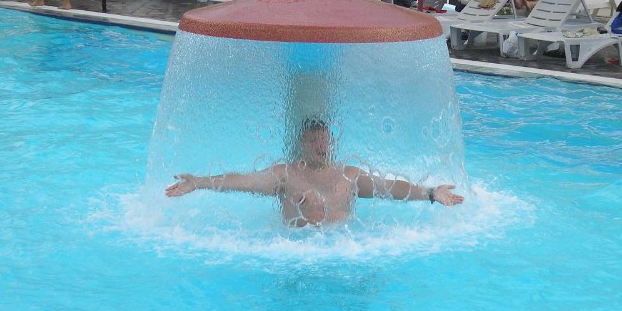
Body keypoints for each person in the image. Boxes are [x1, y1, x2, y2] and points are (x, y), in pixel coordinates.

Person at [165, 118, 464, 227]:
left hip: (341, 250)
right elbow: (244, 181)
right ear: (301, 145)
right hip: (299, 252)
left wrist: (431, 193)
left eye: (325, 140)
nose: (321, 146)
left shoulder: (349, 175)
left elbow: (389, 188)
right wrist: (198, 182)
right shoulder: (286, 174)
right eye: (313, 141)